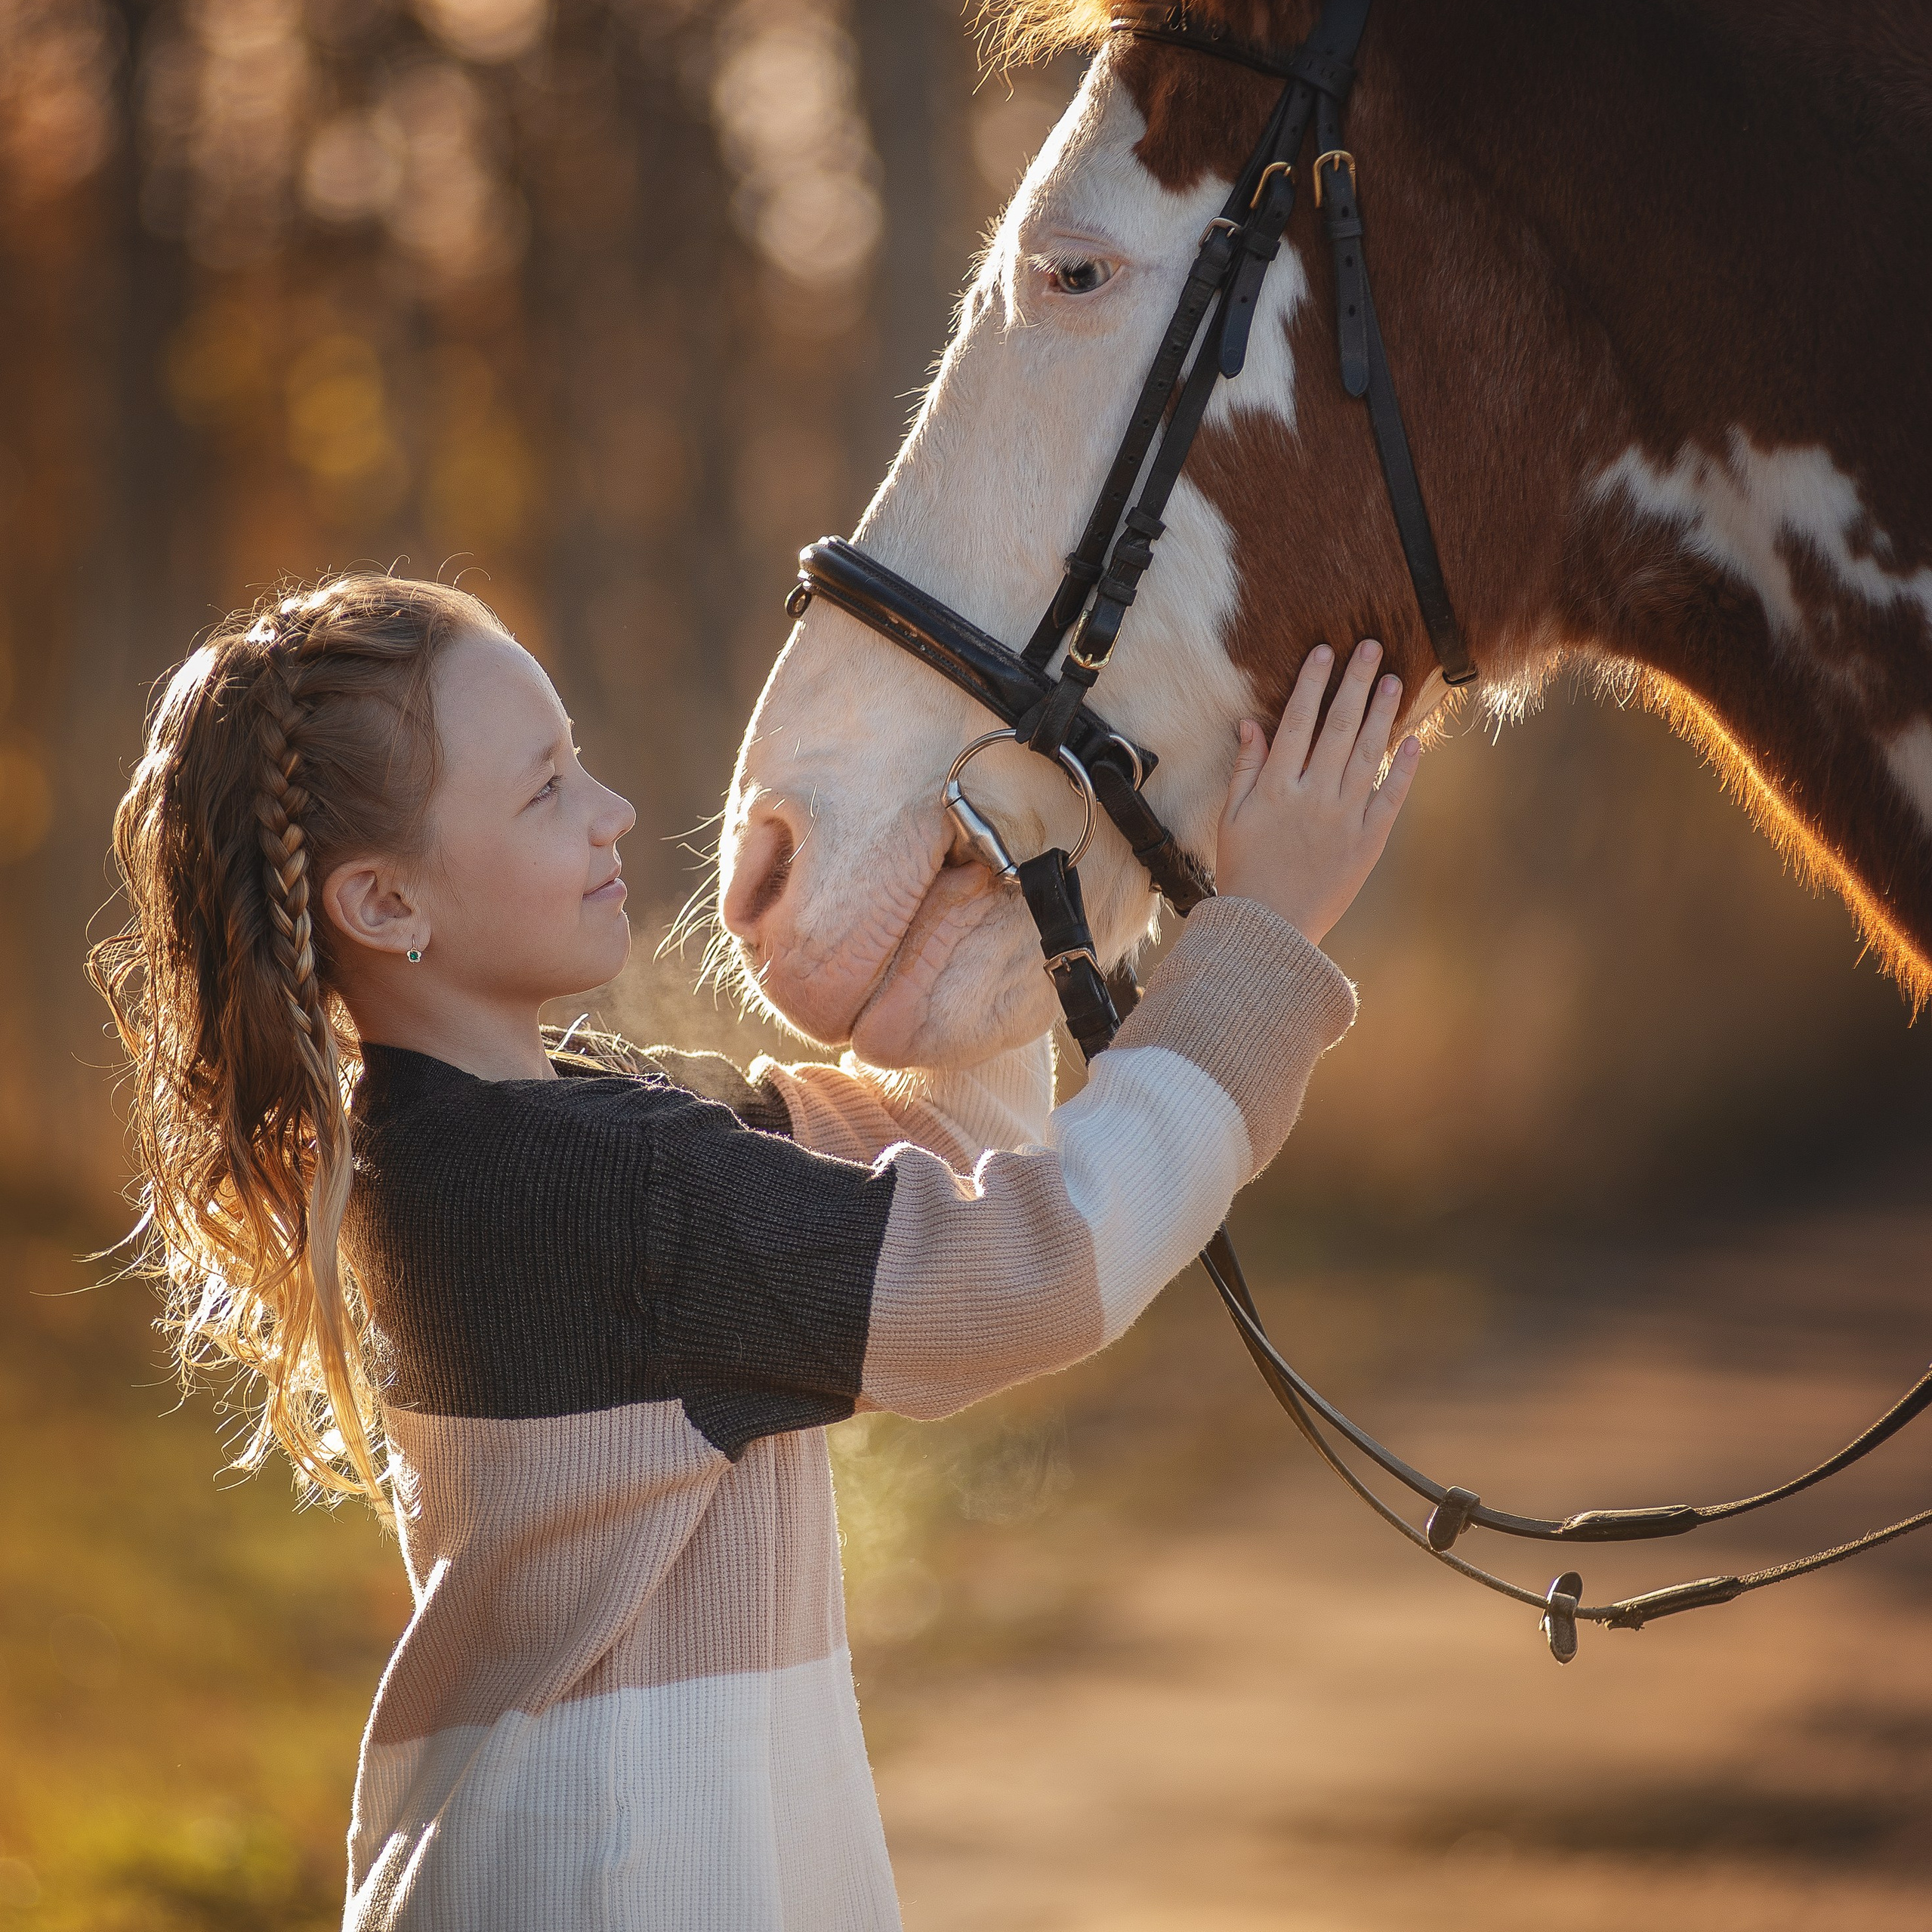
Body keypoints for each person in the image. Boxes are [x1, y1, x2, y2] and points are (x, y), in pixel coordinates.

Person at [91, 572, 1420, 1930]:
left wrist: (998, 857)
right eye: (544, 789)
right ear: (385, 904)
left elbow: (945, 1141)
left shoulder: (496, 1132)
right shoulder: (592, 1188)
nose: (610, 811)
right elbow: (1033, 1266)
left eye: (580, 760)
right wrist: (1258, 936)